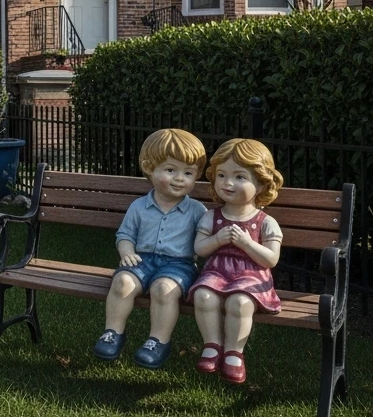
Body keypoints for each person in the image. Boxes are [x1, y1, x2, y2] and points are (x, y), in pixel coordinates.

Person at [92, 129, 207, 368]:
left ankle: (158, 341)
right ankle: (112, 332)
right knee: (122, 282)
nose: (179, 178)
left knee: (164, 289)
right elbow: (125, 235)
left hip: (179, 264)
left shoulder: (197, 211)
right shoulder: (139, 207)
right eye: (170, 170)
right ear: (149, 168)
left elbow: (204, 243)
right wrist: (126, 252)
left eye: (188, 173)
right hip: (141, 260)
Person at [189, 138, 284, 385]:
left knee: (240, 302)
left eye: (239, 177)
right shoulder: (212, 217)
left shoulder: (265, 222)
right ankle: (212, 346)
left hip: (252, 276)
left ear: (262, 184)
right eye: (221, 175)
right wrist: (218, 239)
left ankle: (234, 352)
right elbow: (198, 248)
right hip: (217, 272)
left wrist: (247, 244)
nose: (228, 183)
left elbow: (271, 259)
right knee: (203, 295)